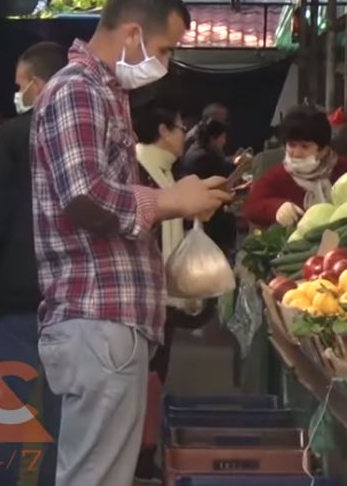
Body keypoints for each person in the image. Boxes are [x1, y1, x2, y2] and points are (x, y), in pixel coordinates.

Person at [31, 0, 232, 486]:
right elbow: (85, 195)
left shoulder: (105, 92)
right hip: (98, 315)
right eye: (163, 48)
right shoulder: (77, 89)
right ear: (133, 33)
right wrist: (169, 200)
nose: (164, 62)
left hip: (111, 320)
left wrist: (179, 200)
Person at [0, 41, 66, 486]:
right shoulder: (88, 130)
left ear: (38, 84)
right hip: (71, 294)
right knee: (61, 415)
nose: (18, 93)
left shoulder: (14, 135)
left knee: (5, 409)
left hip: (16, 294)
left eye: (20, 85)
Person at [131, 97, 217, 482]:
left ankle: (144, 448)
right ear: (164, 132)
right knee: (146, 375)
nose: (186, 135)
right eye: (181, 127)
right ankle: (139, 452)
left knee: (152, 375)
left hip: (157, 297)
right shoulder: (140, 170)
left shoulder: (163, 171)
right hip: (145, 298)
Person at [243, 105, 347, 228]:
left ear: (323, 150)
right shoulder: (277, 176)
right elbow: (251, 207)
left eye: (304, 146)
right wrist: (277, 207)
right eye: (292, 145)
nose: (296, 153)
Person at [178, 118, 238, 253]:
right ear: (213, 138)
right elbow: (217, 178)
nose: (224, 141)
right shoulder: (204, 157)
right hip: (207, 218)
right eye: (222, 137)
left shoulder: (200, 150)